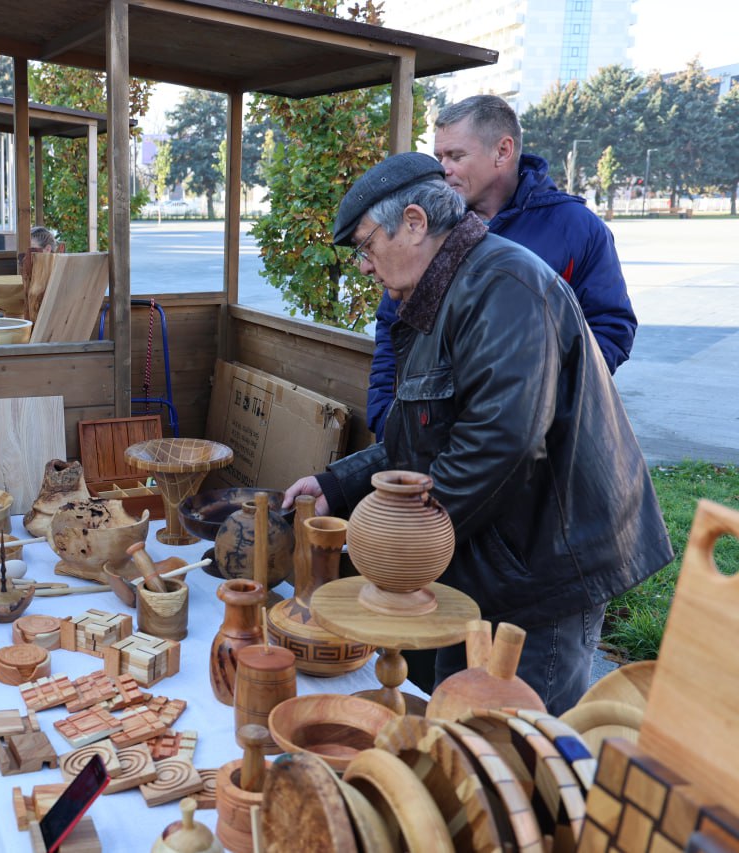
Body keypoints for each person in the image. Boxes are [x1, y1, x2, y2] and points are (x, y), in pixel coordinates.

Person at [283, 152, 671, 715]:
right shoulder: (432, 294)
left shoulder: (505, 286)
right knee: (453, 720)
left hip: (539, 569)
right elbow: (421, 435)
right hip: (483, 555)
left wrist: (401, 539)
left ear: (415, 223)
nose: (365, 266)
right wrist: (336, 485)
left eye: (367, 245)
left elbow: (500, 444)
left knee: (517, 753)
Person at [366, 95, 637, 439]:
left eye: (456, 156)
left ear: (503, 151)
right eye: (439, 157)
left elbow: (611, 327)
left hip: (535, 445)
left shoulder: (577, 228)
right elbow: (394, 323)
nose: (443, 168)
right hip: (432, 440)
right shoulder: (430, 226)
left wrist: (545, 402)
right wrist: (383, 417)